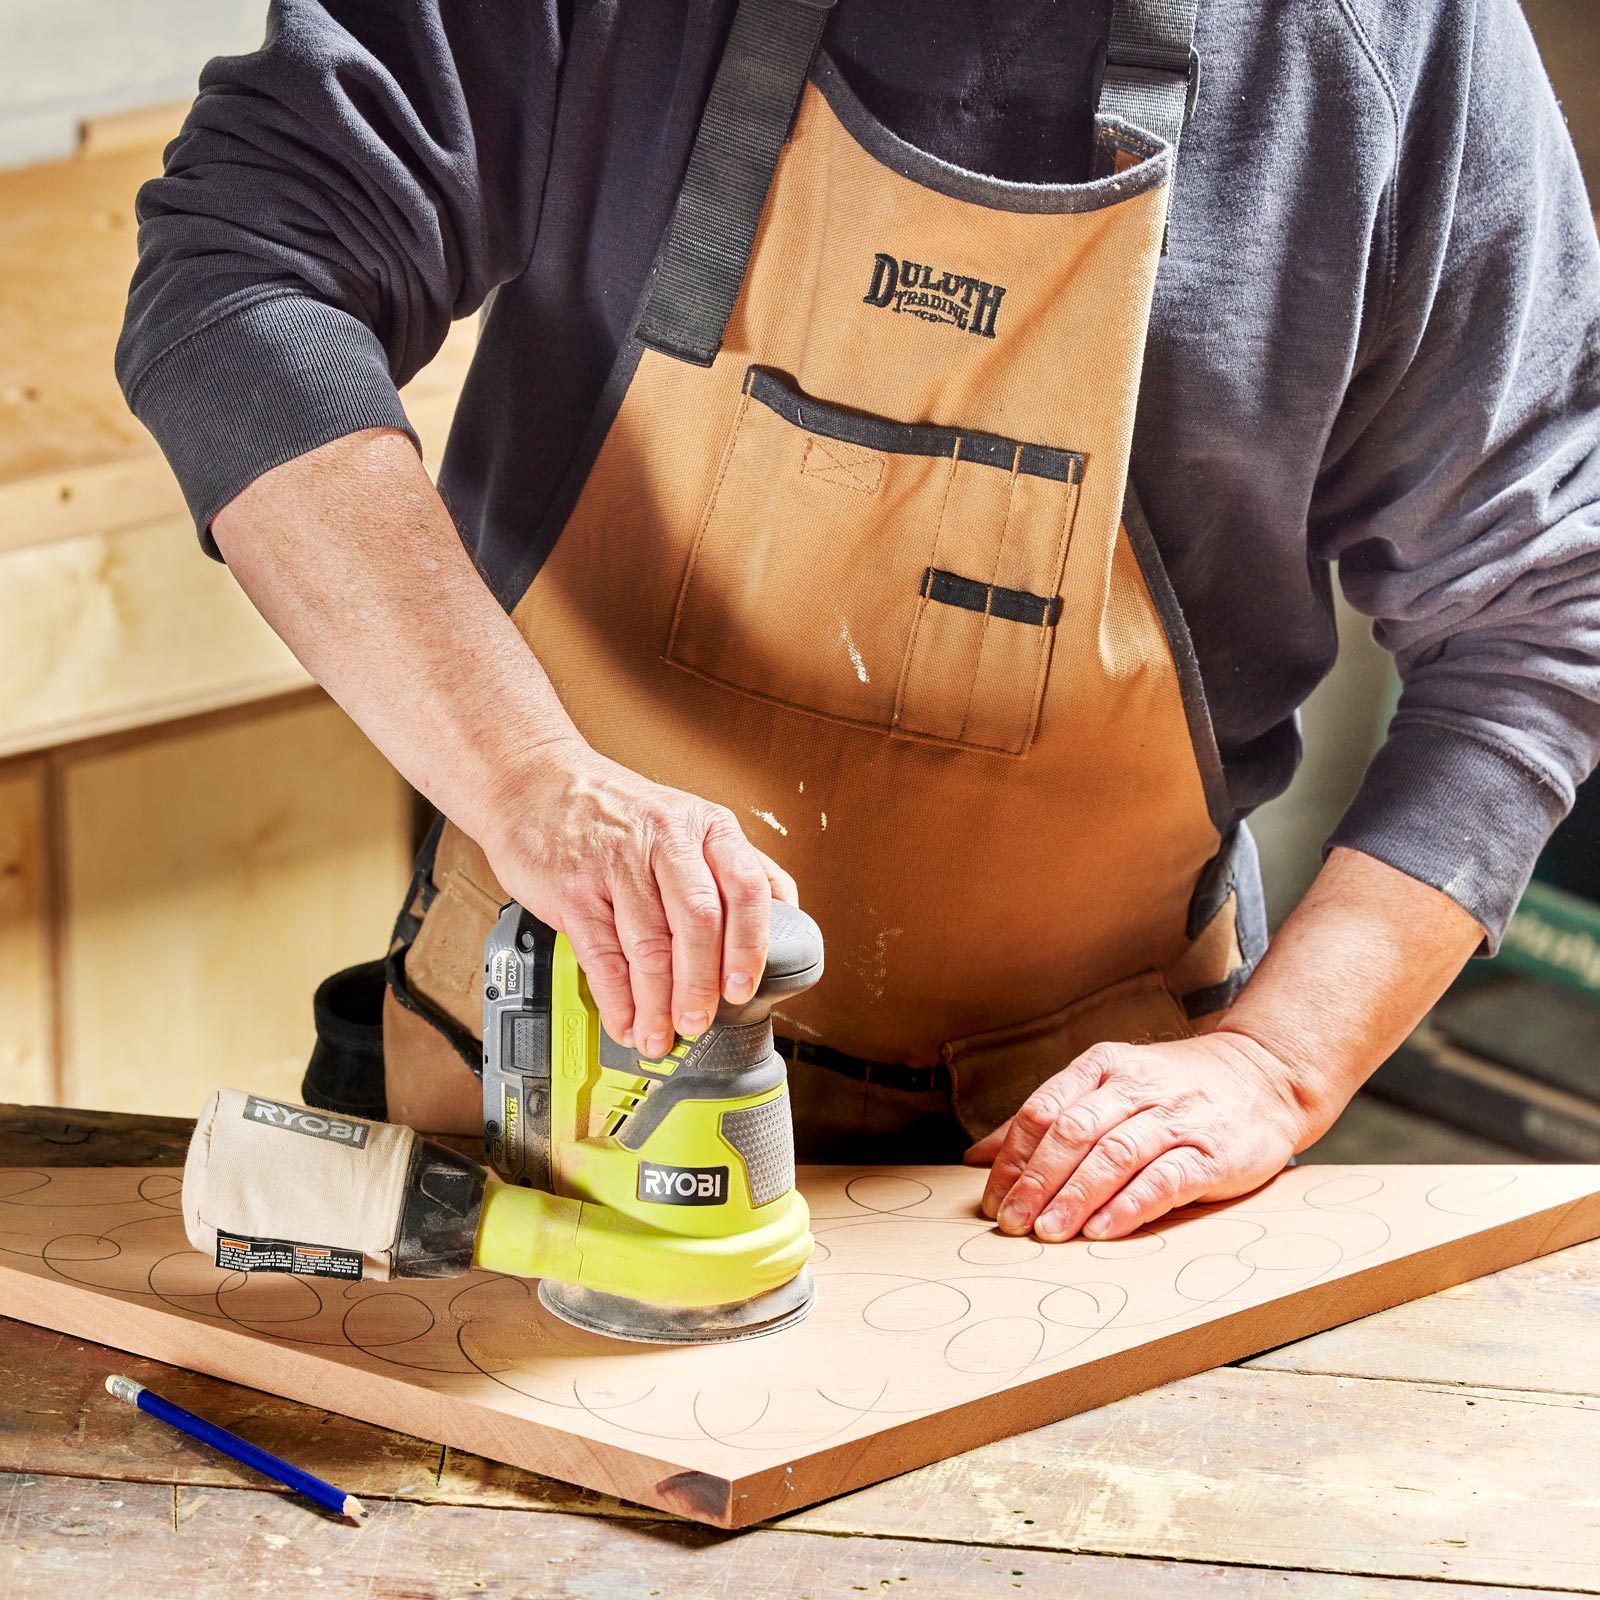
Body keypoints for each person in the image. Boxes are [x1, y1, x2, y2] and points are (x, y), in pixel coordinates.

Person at [117, 0, 1600, 1244]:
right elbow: (243, 270)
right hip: (535, 1105)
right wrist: (525, 780)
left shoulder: (1394, 44)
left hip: (1064, 1187)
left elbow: (1543, 610)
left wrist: (1277, 1065)